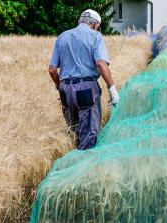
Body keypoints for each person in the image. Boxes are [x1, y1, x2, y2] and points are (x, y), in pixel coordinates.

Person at [48, 9, 119, 150]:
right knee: (89, 136)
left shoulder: (62, 36)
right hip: (86, 90)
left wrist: (60, 86)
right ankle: (84, 168)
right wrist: (112, 88)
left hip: (65, 89)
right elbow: (100, 64)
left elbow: (52, 70)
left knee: (73, 133)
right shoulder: (95, 37)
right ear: (95, 24)